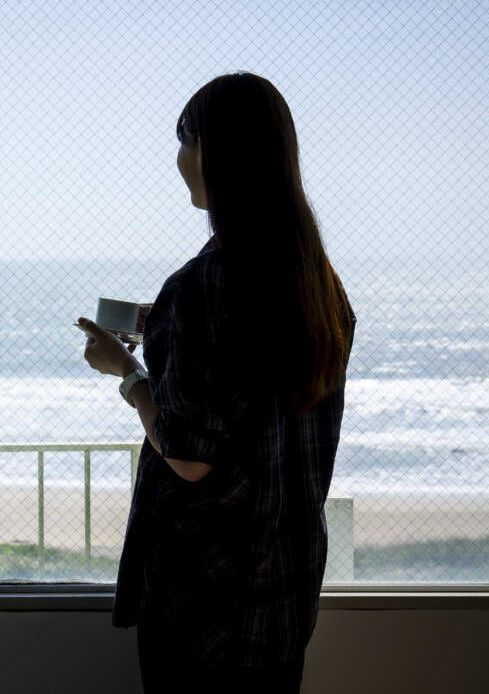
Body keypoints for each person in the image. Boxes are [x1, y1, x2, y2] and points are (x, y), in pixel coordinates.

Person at [77, 72, 357, 693]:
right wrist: (166, 331)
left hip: (204, 601)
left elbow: (187, 456)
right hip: (282, 593)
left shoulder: (202, 287)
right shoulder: (317, 285)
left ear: (218, 155)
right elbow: (254, 382)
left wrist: (127, 373)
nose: (179, 159)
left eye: (187, 141)